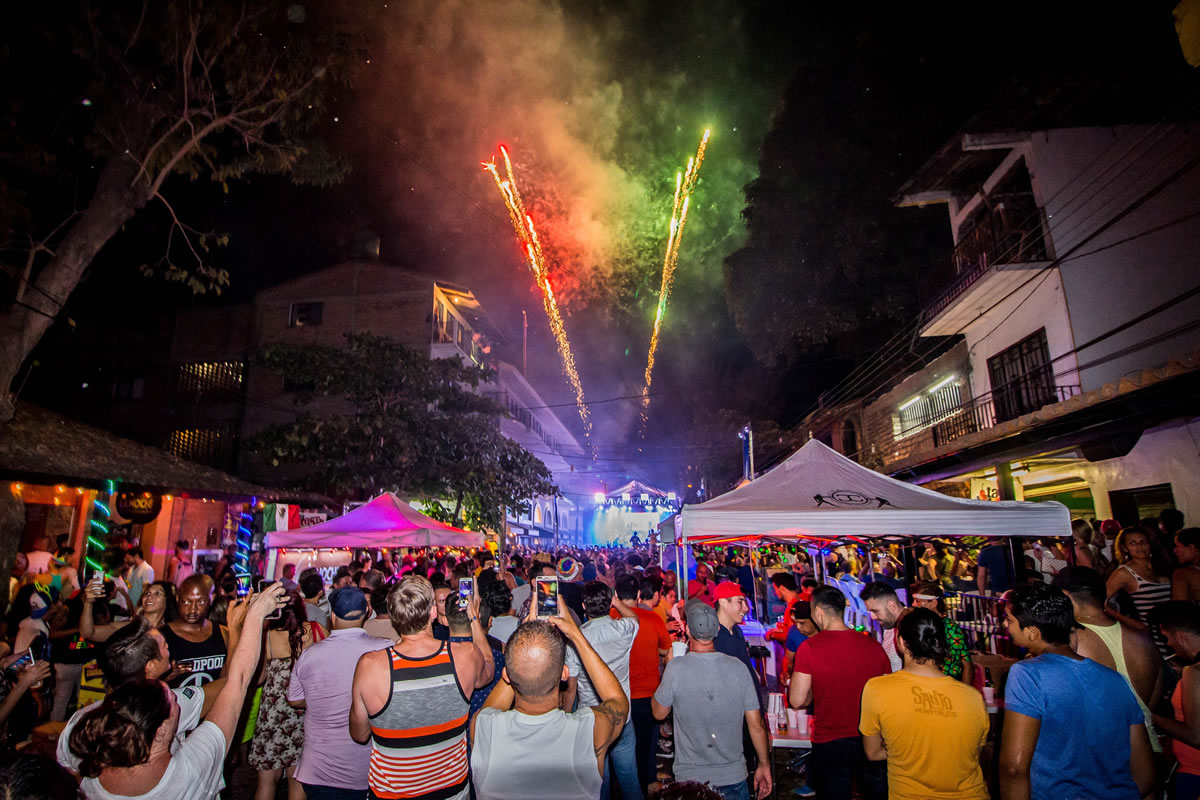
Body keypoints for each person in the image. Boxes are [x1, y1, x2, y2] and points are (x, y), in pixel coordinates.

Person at [65, 585, 287, 800]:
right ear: (163, 727)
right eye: (172, 699)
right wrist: (252, 620)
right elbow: (236, 682)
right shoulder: (191, 770)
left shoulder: (81, 724)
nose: (168, 646)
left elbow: (68, 772)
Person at [999, 583, 1154, 800]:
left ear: (1032, 632)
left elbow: (1014, 768)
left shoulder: (1027, 674)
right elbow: (1145, 772)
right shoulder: (1115, 680)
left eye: (1010, 620)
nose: (1005, 624)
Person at [349, 575, 493, 800]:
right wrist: (473, 617)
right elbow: (488, 667)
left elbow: (359, 734)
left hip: (392, 795)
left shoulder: (371, 666)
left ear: (394, 617)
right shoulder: (464, 656)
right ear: (433, 612)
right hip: (452, 793)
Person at [469, 605, 627, 800]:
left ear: (506, 676)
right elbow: (618, 701)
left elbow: (492, 706)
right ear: (564, 673)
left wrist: (522, 642)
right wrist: (576, 635)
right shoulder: (589, 730)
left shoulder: (483, 726)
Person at [859, 607, 988, 799]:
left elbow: (874, 752)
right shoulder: (973, 698)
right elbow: (974, 754)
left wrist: (901, 747)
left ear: (901, 643)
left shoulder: (877, 689)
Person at [652, 600, 771, 800]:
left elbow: (658, 712)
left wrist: (668, 667)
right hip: (733, 775)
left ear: (688, 630)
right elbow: (756, 726)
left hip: (691, 780)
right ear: (717, 629)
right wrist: (764, 764)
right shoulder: (738, 668)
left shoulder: (676, 668)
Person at [288, 586, 390, 800]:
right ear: (366, 612)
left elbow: (295, 700)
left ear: (332, 615)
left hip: (319, 770)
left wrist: (322, 698)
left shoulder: (310, 654)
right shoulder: (385, 650)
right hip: (368, 769)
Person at [788, 585, 889, 800]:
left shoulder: (810, 648)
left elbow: (796, 700)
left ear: (818, 613)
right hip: (870, 739)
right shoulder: (873, 646)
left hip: (830, 740)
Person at [1061, 567, 1162, 752]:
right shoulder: (1144, 640)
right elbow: (1151, 703)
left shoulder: (1069, 639)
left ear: (1065, 595)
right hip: (1146, 749)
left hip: (1101, 753)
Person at [563, 580, 642, 800]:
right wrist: (616, 602)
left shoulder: (577, 639)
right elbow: (634, 618)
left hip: (592, 719)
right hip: (621, 716)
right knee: (630, 779)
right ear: (610, 603)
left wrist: (567, 718)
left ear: (584, 606)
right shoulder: (624, 629)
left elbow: (571, 688)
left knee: (599, 783)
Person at [248, 589, 321, 800]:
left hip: (271, 715)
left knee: (266, 782)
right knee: (297, 781)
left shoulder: (268, 636)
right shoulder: (313, 631)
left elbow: (259, 678)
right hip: (302, 711)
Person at [621, 574, 671, 793]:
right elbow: (665, 650)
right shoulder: (652, 620)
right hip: (647, 692)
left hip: (619, 691)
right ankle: (646, 783)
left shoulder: (611, 617)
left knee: (620, 745)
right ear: (639, 595)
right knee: (646, 742)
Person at [1148, 601, 1200, 799]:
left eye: (1167, 638)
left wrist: (1149, 715)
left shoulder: (1194, 673)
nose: (1168, 644)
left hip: (1195, 774)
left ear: (1180, 636)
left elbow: (1196, 736)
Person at [1106, 526, 1173, 658]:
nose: (1139, 546)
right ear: (1124, 548)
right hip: (1152, 636)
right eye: (1133, 543)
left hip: (1176, 631)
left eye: (1143, 542)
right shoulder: (1124, 573)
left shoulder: (1163, 565)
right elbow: (1098, 601)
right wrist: (1133, 623)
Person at [160, 575, 228, 688]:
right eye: (186, 602)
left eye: (200, 602)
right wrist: (164, 679)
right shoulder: (161, 636)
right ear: (177, 598)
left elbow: (230, 678)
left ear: (212, 598)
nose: (192, 609)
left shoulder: (224, 634)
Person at [908, 582, 974, 685]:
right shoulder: (921, 626)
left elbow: (966, 664)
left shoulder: (950, 628)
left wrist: (965, 692)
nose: (913, 604)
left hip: (950, 686)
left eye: (917, 601)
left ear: (933, 603)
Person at [81, 579, 176, 643]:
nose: (150, 597)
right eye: (147, 593)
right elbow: (88, 633)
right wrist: (88, 603)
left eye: (157, 594)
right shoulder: (129, 628)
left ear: (167, 600)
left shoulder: (171, 631)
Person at [860, 581, 904, 673]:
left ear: (891, 605)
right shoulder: (889, 627)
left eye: (875, 611)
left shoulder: (911, 630)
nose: (873, 617)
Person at [712, 581, 754, 677]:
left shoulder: (737, 631)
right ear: (723, 602)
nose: (746, 608)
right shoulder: (712, 635)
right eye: (740, 602)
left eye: (745, 602)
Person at [780, 601, 816, 687]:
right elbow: (789, 659)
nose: (798, 627)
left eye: (802, 623)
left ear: (814, 620)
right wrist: (786, 672)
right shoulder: (793, 632)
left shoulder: (824, 633)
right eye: (795, 622)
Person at [765, 573, 799, 644]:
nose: (775, 593)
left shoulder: (792, 608)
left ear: (782, 589)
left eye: (775, 589)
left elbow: (790, 636)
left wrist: (772, 635)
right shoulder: (798, 601)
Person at [1173, 528, 1200, 602]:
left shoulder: (1182, 575)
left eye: (1177, 546)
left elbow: (1180, 608)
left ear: (1191, 547)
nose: (1174, 550)